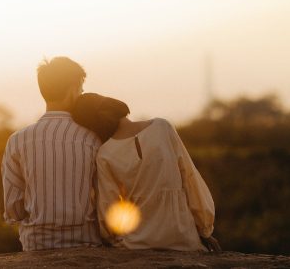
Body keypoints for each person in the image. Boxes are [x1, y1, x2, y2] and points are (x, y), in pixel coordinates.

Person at [72, 93, 221, 252]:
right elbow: (190, 179)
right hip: (183, 238)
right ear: (113, 104)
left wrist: (115, 239)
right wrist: (205, 229)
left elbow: (109, 209)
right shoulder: (162, 127)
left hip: (137, 244)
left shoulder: (105, 154)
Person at [1, 57, 102, 250]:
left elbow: (13, 209)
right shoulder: (92, 139)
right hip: (86, 244)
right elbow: (104, 199)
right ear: (73, 89)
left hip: (36, 245)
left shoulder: (17, 140)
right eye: (81, 87)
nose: (81, 93)